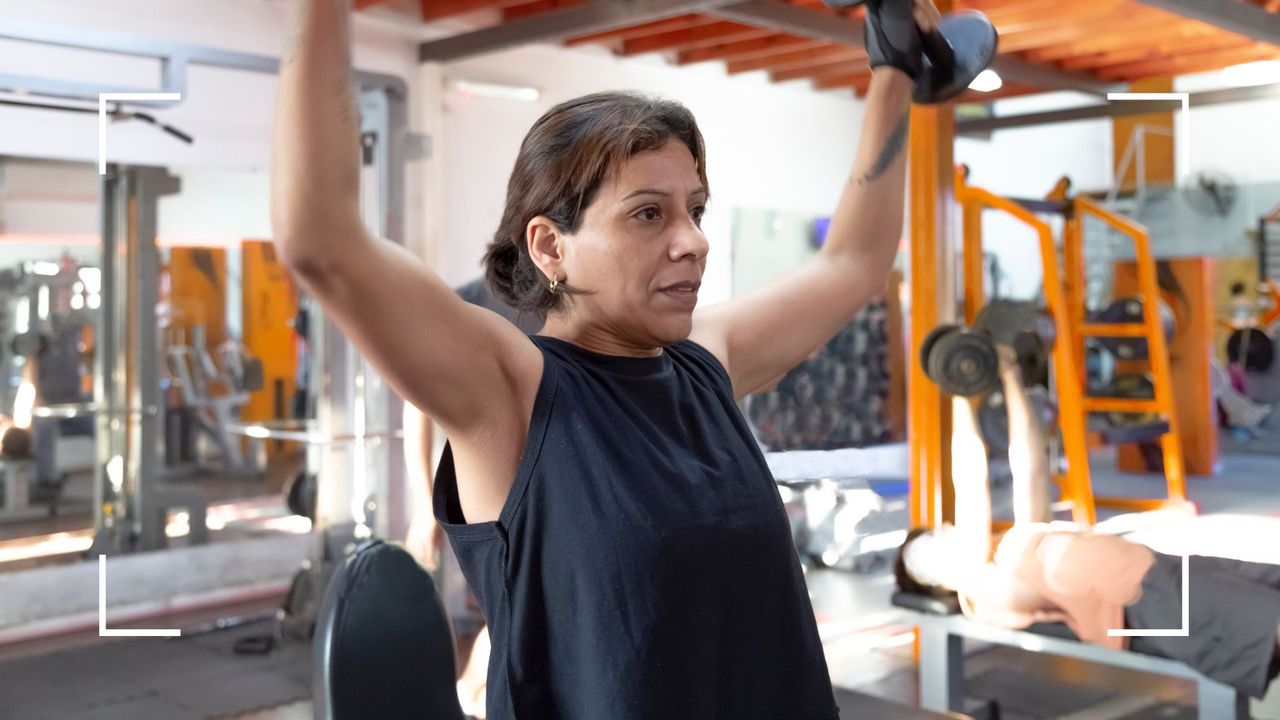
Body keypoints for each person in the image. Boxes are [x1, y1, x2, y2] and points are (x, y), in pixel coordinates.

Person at [273, 0, 938, 715]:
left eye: (696, 210)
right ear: (550, 247)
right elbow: (321, 239)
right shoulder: (514, 390)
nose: (693, 240)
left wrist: (894, 64)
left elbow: (854, 261)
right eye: (649, 213)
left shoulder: (704, 363)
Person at [895, 346, 1280, 699]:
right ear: (936, 583)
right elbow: (971, 484)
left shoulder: (1016, 545)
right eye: (929, 550)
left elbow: (1029, 465)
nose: (945, 532)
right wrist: (961, 394)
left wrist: (1010, 377)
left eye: (936, 531)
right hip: (1151, 610)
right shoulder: (983, 593)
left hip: (1166, 570)